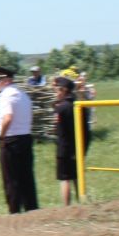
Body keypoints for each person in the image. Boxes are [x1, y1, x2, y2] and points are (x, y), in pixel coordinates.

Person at [0, 65, 38, 214]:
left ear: (6, 80)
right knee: (27, 178)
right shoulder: (23, 95)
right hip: (26, 138)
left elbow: (8, 117)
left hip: (11, 140)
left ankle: (14, 212)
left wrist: (1, 136)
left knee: (11, 180)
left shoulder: (6, 96)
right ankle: (32, 210)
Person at [51, 76, 90, 207]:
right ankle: (83, 203)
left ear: (63, 90)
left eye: (57, 89)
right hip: (78, 147)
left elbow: (57, 128)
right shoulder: (79, 106)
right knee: (77, 177)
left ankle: (66, 208)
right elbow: (86, 130)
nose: (55, 92)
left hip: (64, 148)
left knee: (65, 179)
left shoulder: (61, 108)